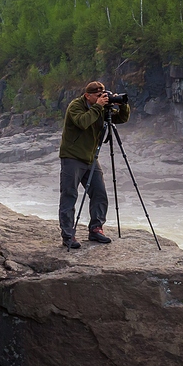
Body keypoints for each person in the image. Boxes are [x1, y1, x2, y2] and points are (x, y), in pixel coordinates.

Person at [58, 81, 130, 249]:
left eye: (102, 94)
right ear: (87, 96)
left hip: (90, 158)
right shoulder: (75, 106)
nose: (101, 98)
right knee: (69, 195)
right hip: (72, 157)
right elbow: (83, 122)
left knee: (100, 194)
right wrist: (98, 107)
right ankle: (68, 235)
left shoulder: (101, 107)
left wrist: (122, 105)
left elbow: (121, 119)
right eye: (97, 95)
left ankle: (96, 229)